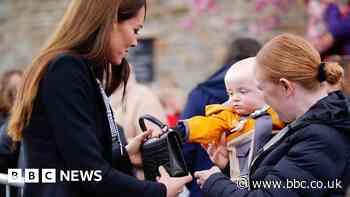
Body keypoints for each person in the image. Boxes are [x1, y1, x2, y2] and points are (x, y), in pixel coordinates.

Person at [7, 1, 192, 197]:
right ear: (111, 22)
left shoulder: (80, 70)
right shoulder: (66, 70)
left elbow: (76, 162)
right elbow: (89, 173)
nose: (135, 42)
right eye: (135, 30)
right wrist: (160, 191)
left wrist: (126, 153)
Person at [194, 33, 350, 196]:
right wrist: (228, 167)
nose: (264, 98)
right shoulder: (311, 124)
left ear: (285, 86)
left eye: (261, 88)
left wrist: (215, 183)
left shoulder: (322, 136)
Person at [176, 57, 284, 180]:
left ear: (265, 88)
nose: (235, 98)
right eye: (230, 93)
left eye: (242, 92)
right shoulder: (230, 116)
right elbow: (209, 124)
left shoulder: (280, 112)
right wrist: (183, 130)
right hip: (240, 178)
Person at [180, 38, 261, 197]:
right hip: (251, 184)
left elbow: (185, 148)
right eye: (231, 94)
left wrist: (195, 180)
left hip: (204, 180)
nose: (234, 100)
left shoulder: (201, 92)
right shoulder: (265, 92)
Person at [110, 65, 167, 180]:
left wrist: (121, 148)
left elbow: (157, 146)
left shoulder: (143, 97)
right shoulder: (102, 95)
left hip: (141, 182)